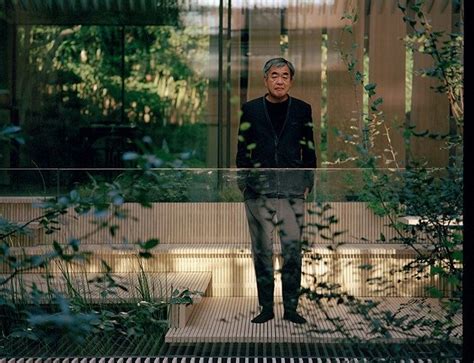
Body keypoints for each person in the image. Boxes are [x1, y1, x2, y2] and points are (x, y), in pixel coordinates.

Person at [236, 57, 317, 324]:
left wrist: (307, 183)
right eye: (274, 75)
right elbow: (242, 151)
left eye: (284, 75)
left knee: (292, 251)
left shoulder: (303, 110)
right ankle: (266, 307)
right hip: (258, 191)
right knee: (262, 251)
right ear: (266, 79)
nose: (279, 80)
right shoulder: (250, 110)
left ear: (291, 80)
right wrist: (245, 185)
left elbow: (310, 150)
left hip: (293, 192)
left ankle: (291, 308)